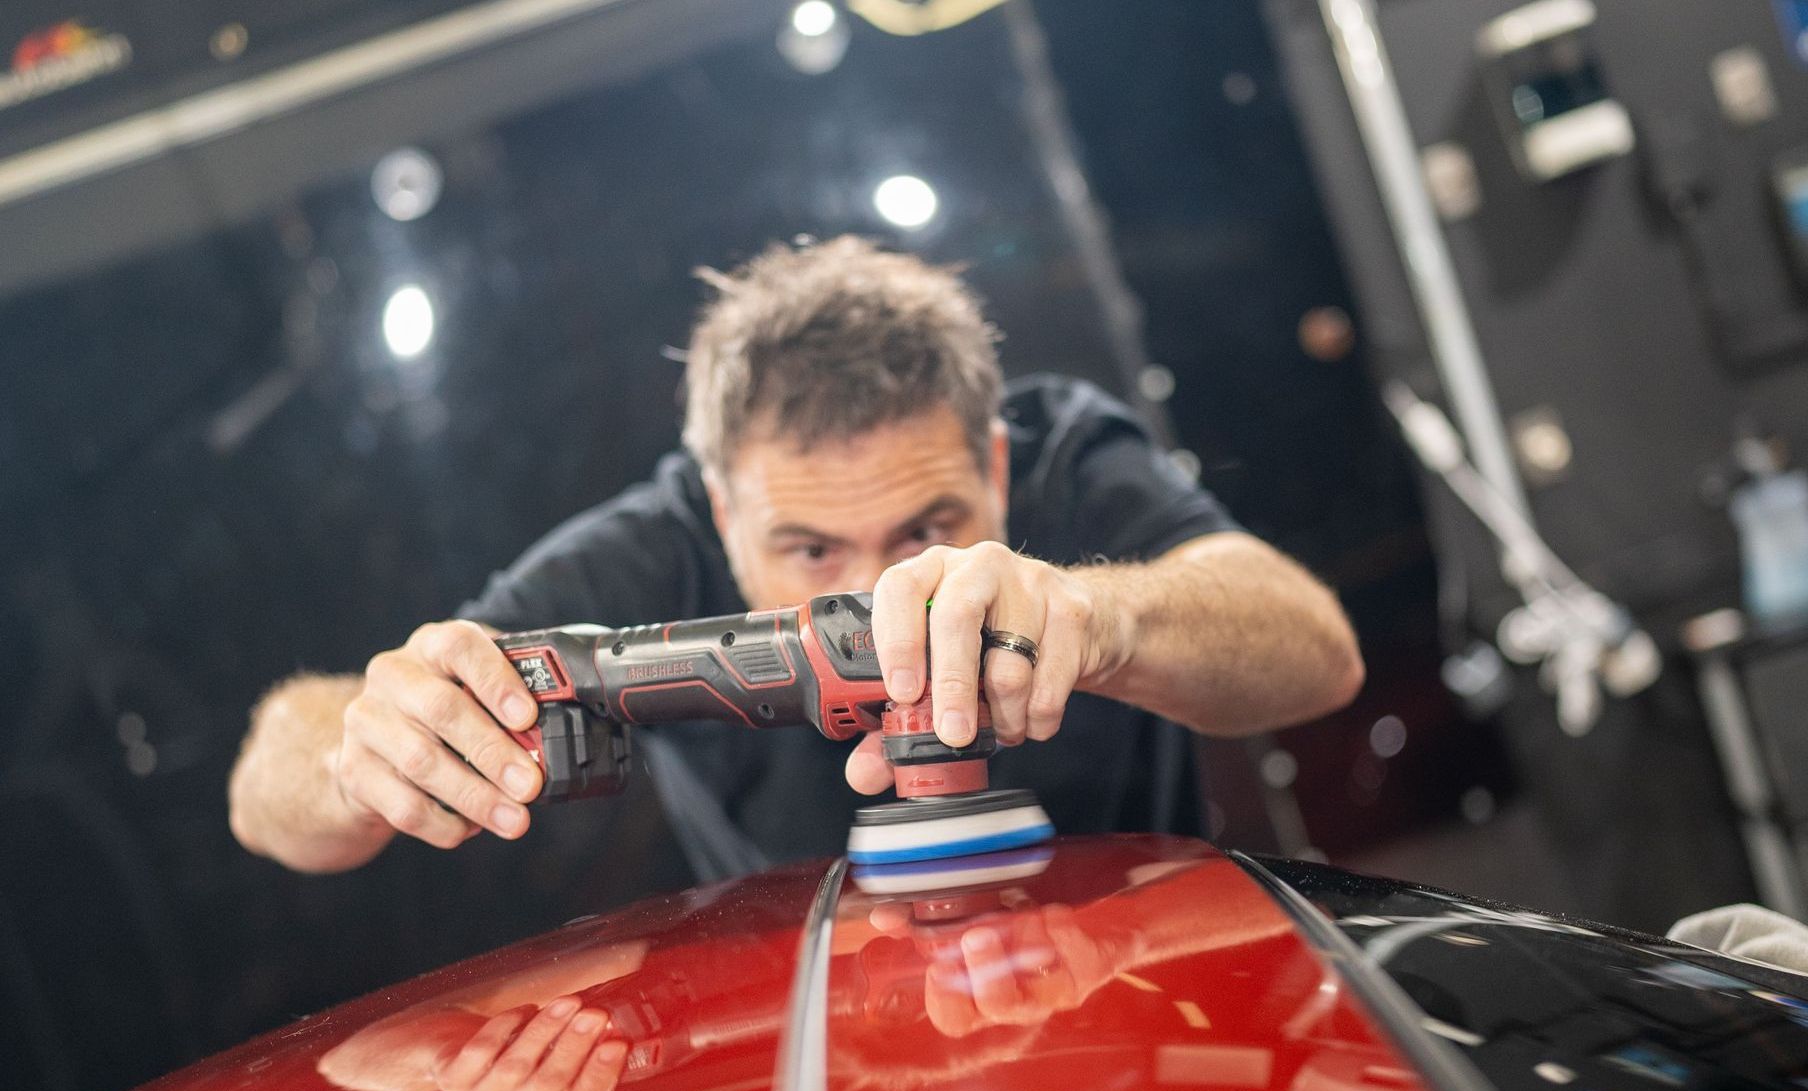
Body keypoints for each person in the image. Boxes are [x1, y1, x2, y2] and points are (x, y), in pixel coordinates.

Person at [230, 235, 1364, 892]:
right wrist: (358, 753)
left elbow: (1316, 653)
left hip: (1145, 971)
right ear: (719, 508)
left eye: (927, 530)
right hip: (809, 1040)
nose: (881, 601)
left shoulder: (1070, 453)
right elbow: (269, 786)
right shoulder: (650, 551)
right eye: (809, 546)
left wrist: (1102, 618)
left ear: (1002, 465)